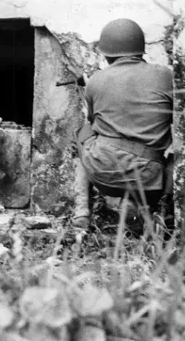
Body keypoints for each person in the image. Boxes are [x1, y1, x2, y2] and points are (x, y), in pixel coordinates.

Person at [70, 18, 173, 228]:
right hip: (149, 177)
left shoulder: (97, 80)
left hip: (102, 172)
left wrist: (93, 87)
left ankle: (81, 213)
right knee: (176, 157)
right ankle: (164, 212)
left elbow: (93, 124)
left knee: (80, 137)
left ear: (107, 54)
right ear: (140, 50)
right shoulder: (166, 76)